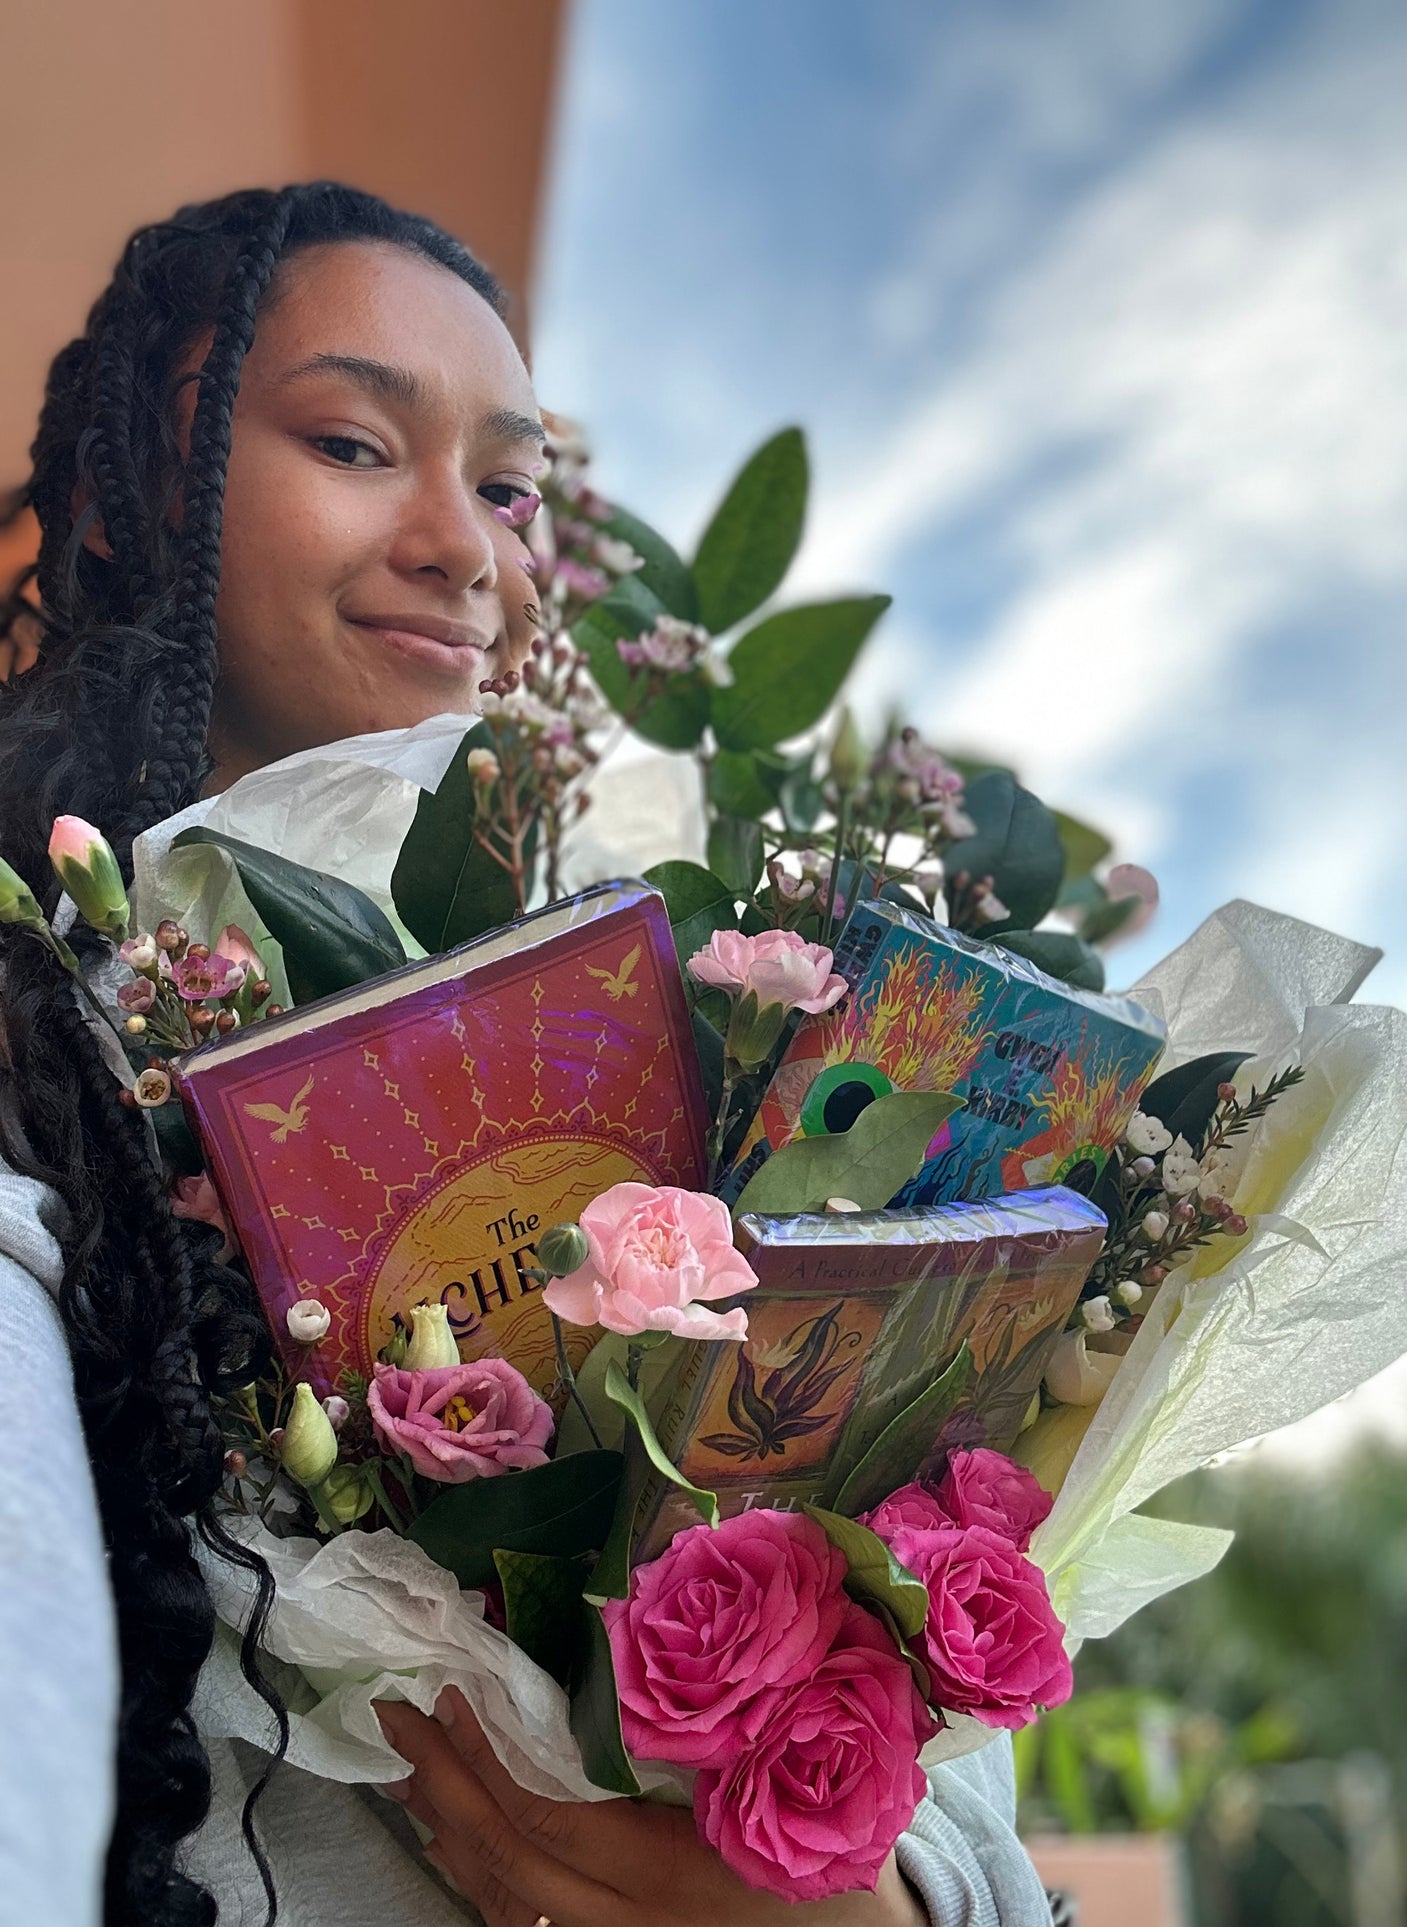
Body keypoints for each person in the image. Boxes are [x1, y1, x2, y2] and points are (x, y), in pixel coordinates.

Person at [0, 182, 1056, 1927]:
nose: (463, 547)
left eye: (504, 487)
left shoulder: (711, 1035)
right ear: (124, 504)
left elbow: (935, 1650)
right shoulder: (40, 1068)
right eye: (351, 441)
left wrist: (879, 1895)